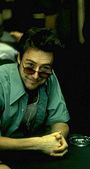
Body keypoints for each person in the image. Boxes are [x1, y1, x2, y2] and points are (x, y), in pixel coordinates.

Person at [0, 27, 70, 157]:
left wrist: (57, 139)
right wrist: (38, 144)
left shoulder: (50, 77)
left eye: (44, 69)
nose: (36, 76)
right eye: (30, 67)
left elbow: (59, 121)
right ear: (19, 58)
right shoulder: (1, 80)